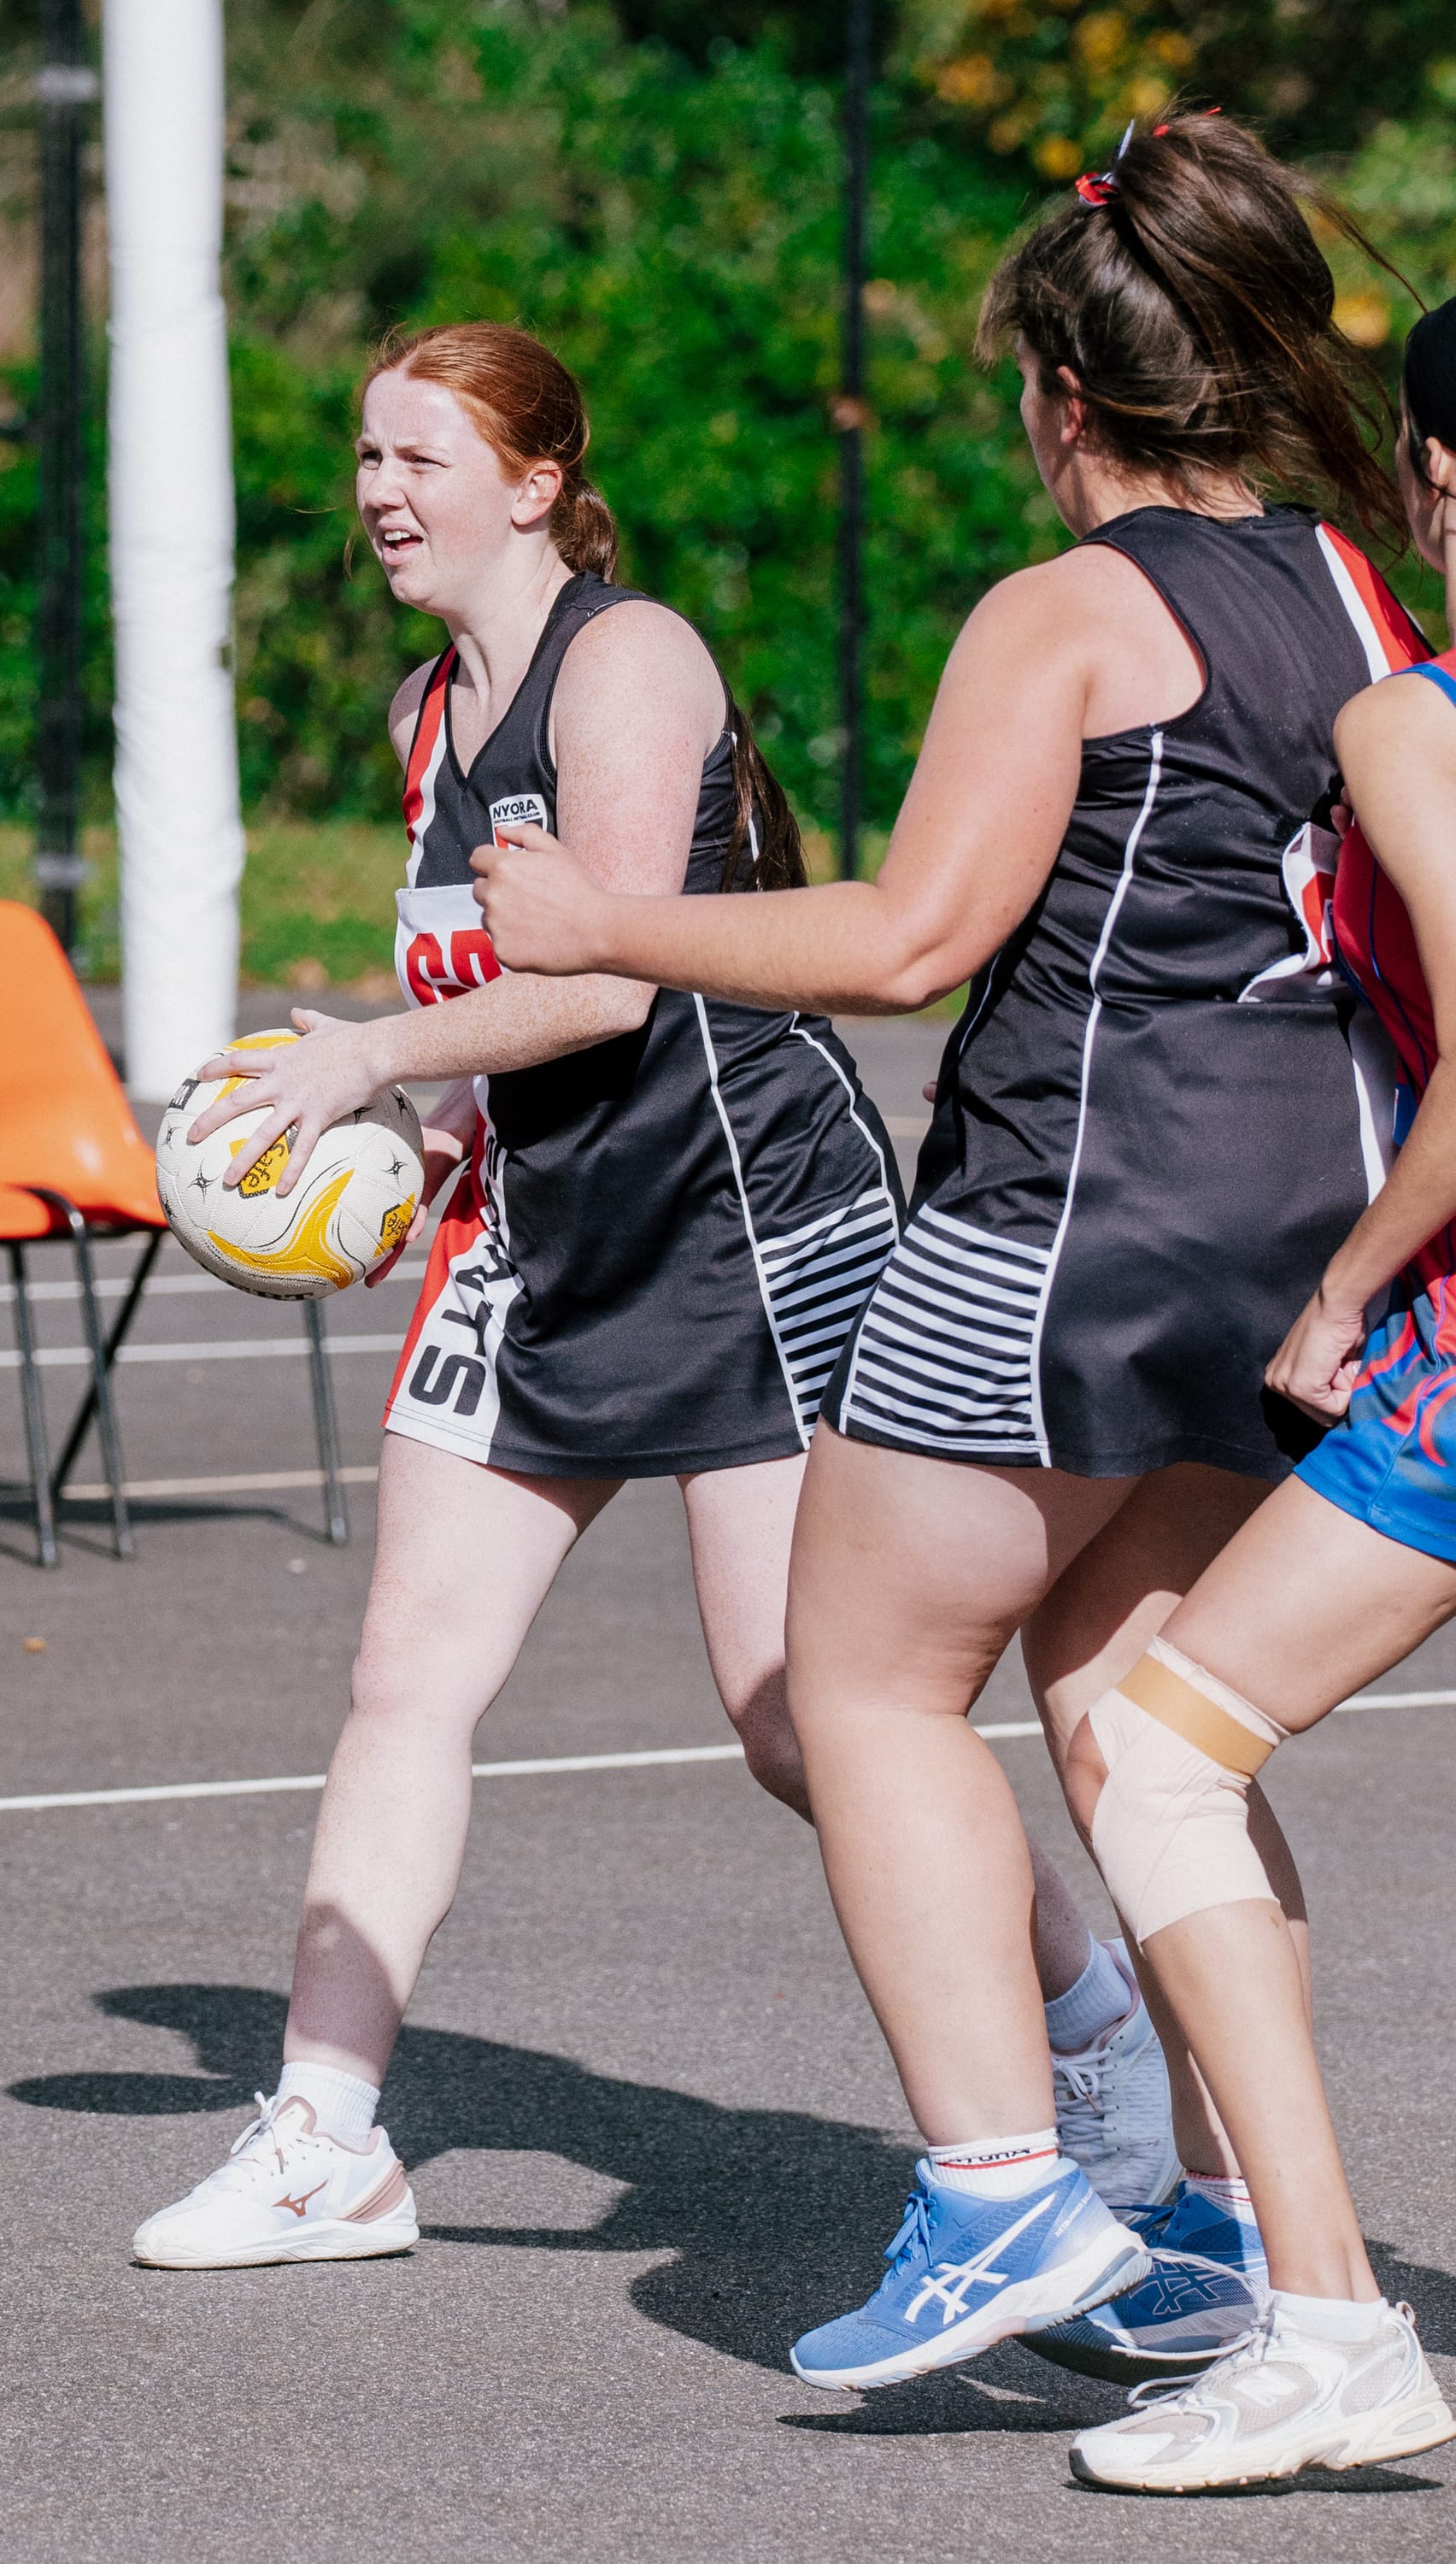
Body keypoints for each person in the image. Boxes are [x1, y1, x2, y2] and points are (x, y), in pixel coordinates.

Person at [472, 114, 1424, 2426]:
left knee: (866, 1681)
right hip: (1304, 1212)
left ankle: (1004, 2183)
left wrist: (606, 923)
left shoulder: (1066, 610)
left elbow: (909, 943)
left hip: (1071, 1215)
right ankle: (1234, 2229)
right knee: (1134, 1719)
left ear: (1058, 396)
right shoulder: (1352, 586)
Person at [131, 321, 1164, 2273]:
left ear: (532, 482)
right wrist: (416, 1136)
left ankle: (1089, 2031)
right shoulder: (423, 718)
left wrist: (361, 1064)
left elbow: (608, 981)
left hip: (742, 1225)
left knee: (799, 1716)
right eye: (363, 457)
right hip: (542, 1236)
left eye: (418, 458)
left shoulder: (631, 661)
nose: (376, 493)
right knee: (401, 1681)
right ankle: (326, 2137)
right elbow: (490, 1010)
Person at [1046, 298, 1456, 2489]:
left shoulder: (1416, 723)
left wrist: (1346, 1283)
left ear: (1431, 481)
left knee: (1154, 1754)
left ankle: (1326, 2316)